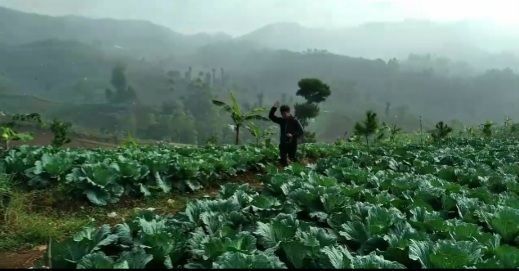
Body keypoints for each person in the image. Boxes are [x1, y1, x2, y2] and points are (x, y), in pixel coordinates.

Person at [269, 101, 304, 166]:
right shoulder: (282, 121)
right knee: (283, 161)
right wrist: (274, 107)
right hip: (283, 144)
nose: (283, 115)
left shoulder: (295, 121)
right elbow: (271, 116)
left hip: (292, 144)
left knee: (292, 159)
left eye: (284, 114)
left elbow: (301, 132)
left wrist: (292, 135)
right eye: (282, 114)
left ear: (288, 112)